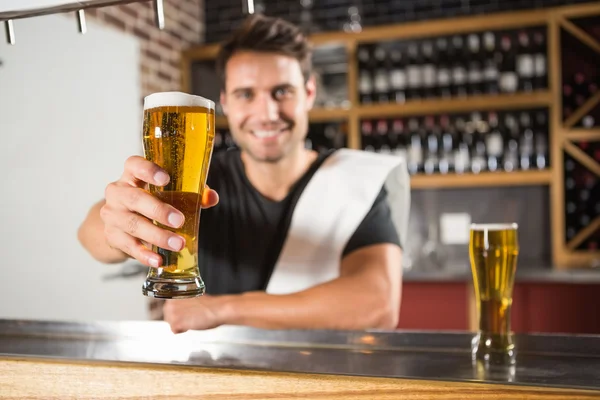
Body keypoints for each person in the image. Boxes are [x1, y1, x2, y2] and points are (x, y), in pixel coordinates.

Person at [78, 13, 410, 334]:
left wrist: (221, 309)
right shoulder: (202, 179)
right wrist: (118, 226)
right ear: (225, 102)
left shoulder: (353, 181)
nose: (266, 113)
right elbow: (89, 236)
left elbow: (377, 305)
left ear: (308, 94)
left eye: (282, 91)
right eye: (246, 94)